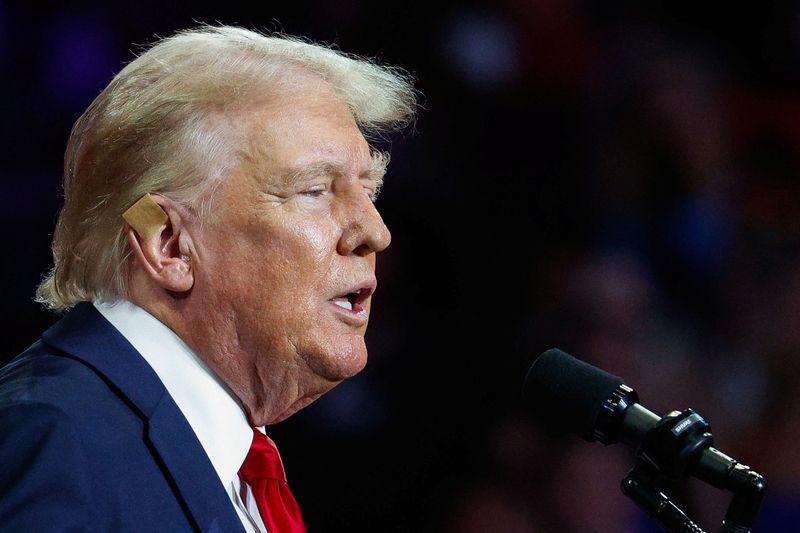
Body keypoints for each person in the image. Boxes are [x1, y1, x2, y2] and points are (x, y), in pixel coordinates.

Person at [0, 25, 416, 532]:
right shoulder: (54, 438)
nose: (376, 232)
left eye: (367, 189)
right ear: (170, 245)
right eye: (314, 190)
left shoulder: (224, 461)